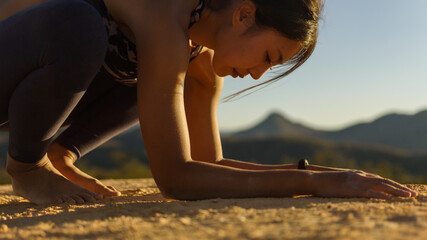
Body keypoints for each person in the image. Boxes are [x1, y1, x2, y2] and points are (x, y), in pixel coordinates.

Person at [0, 0, 417, 205]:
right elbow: (176, 179)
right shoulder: (169, 14)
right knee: (80, 28)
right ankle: (26, 166)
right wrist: (310, 185)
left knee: (159, 75)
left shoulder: (196, 56)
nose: (256, 74)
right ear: (243, 15)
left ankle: (59, 152)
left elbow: (206, 166)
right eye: (268, 58)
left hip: (22, 102)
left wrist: (328, 174)